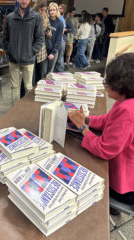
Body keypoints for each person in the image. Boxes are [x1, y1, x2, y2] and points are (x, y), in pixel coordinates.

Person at [68, 53, 134, 214]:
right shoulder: (126, 102)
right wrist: (87, 119)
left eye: (107, 83)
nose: (105, 85)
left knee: (78, 178)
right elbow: (108, 120)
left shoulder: (127, 110)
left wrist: (82, 126)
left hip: (124, 188)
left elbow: (104, 150)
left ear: (121, 86)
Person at [3, 0, 44, 105]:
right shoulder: (10, 17)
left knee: (28, 87)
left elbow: (40, 38)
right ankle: (15, 111)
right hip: (13, 59)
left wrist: (32, 52)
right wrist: (10, 51)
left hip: (29, 60)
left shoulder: (36, 17)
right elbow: (5, 38)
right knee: (14, 87)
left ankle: (26, 111)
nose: (23, 1)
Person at [33, 0, 51, 84]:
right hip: (31, 52)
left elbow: (49, 37)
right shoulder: (30, 17)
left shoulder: (45, 18)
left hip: (42, 53)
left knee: (41, 77)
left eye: (44, 10)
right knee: (30, 78)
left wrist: (48, 34)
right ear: (36, 8)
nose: (43, 12)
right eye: (41, 10)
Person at [45, 2, 63, 74]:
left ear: (57, 10)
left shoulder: (60, 23)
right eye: (50, 10)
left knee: (49, 72)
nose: (52, 12)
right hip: (44, 50)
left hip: (53, 51)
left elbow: (58, 40)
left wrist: (53, 53)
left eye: (54, 10)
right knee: (42, 71)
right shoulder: (46, 21)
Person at [55, 3, 67, 72]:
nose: (59, 9)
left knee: (59, 58)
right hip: (56, 40)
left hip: (60, 40)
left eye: (60, 8)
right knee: (56, 58)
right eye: (58, 8)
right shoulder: (55, 17)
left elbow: (63, 29)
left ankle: (60, 73)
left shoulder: (61, 18)